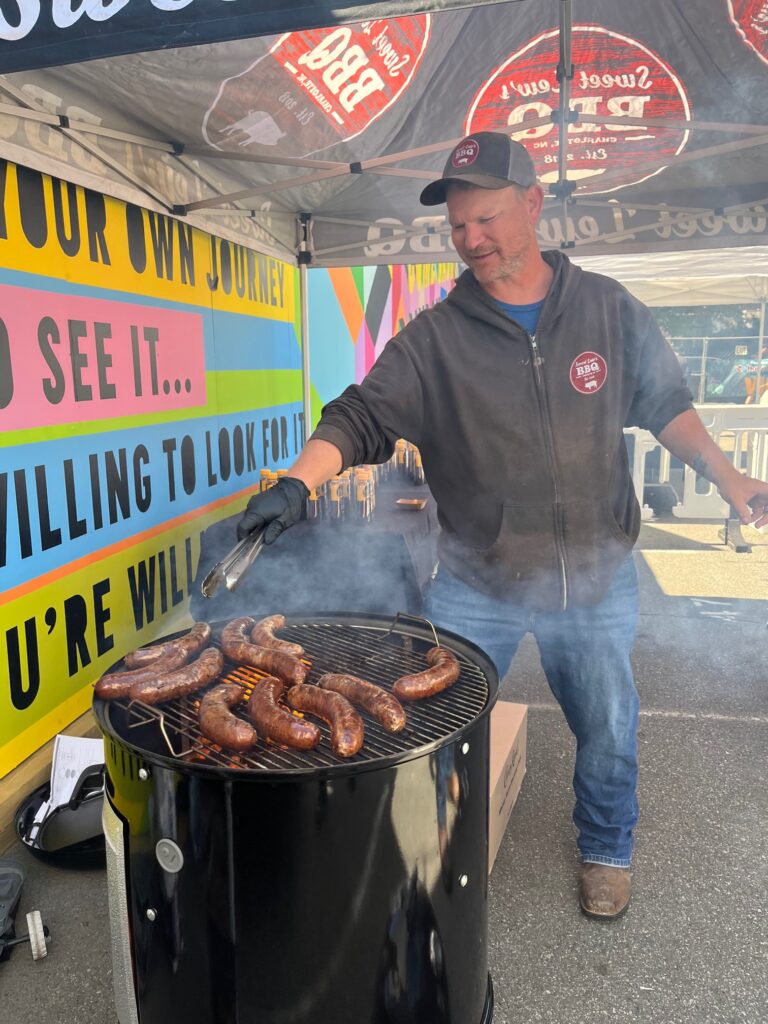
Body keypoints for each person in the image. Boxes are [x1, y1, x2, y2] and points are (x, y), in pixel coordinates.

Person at [236, 131, 768, 919]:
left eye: (485, 219)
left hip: (595, 576)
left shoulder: (607, 309)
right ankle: (423, 853)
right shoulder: (435, 340)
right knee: (429, 721)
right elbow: (359, 416)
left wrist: (731, 478)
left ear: (533, 203)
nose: (471, 240)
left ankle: (606, 846)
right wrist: (294, 484)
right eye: (457, 227)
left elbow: (667, 408)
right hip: (479, 579)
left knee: (611, 724)